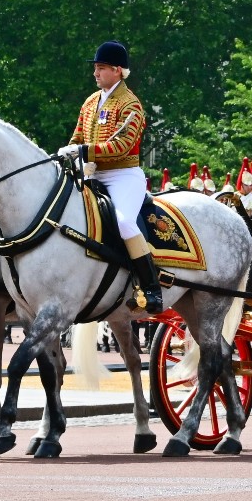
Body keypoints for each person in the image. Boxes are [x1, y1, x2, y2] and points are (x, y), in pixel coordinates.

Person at [56, 40, 162, 314]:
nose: (95, 73)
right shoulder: (91, 102)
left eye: (101, 68)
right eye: (95, 68)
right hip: (92, 174)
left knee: (125, 223)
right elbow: (78, 135)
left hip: (122, 175)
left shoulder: (131, 105)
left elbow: (122, 146)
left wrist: (84, 150)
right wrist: (71, 151)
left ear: (117, 70)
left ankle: (151, 288)